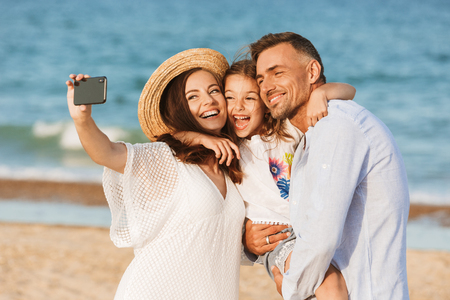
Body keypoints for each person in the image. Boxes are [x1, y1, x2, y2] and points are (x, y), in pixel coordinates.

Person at [66, 48, 246, 299]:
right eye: (192, 97)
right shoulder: (166, 159)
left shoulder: (233, 165)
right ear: (179, 109)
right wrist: (82, 120)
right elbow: (106, 153)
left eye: (214, 90)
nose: (208, 100)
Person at [245, 32, 410, 299]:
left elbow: (321, 240)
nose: (266, 86)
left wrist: (289, 286)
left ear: (312, 72)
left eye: (277, 73)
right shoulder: (310, 135)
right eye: (261, 79)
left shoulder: (336, 126)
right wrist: (249, 239)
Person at [175, 59, 355, 299]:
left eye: (249, 98)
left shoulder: (288, 131)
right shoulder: (228, 149)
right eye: (229, 98)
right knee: (330, 285)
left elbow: (349, 91)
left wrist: (320, 93)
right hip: (280, 239)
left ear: (265, 102)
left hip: (315, 227)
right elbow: (171, 135)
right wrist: (204, 139)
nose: (238, 107)